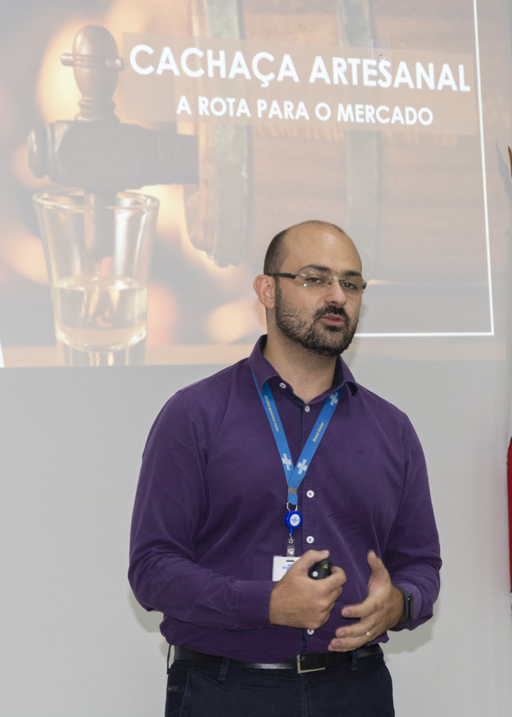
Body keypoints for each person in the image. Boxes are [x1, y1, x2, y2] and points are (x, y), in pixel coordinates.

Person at [129, 220, 441, 716]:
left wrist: (401, 602)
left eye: (351, 283)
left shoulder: (392, 429)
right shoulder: (195, 415)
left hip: (356, 689)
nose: (337, 295)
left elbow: (421, 563)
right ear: (267, 290)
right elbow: (152, 570)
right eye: (315, 279)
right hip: (225, 689)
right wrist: (266, 604)